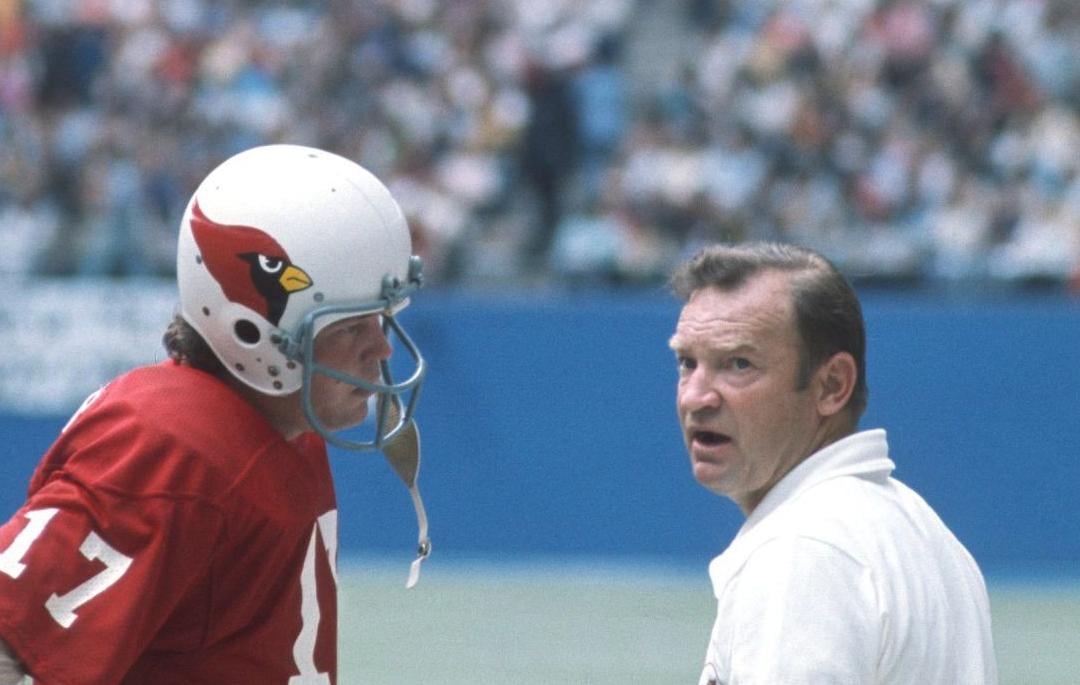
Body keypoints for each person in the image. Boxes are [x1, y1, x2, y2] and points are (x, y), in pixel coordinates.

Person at [0, 144, 431, 684]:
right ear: (252, 330)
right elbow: (12, 640)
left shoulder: (287, 431)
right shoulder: (174, 445)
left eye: (382, 318)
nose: (382, 348)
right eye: (350, 327)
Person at [667, 242, 997, 684]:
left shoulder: (802, 550)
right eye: (688, 363)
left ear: (832, 385)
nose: (695, 397)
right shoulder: (924, 533)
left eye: (738, 364)